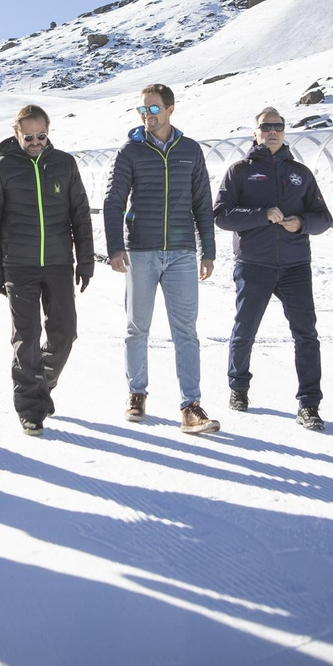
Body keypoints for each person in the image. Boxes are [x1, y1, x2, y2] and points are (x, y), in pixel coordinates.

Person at [103, 83, 220, 435]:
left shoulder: (190, 150)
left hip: (183, 253)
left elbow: (202, 203)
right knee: (137, 327)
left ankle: (191, 406)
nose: (147, 115)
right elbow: (114, 200)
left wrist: (208, 251)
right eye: (143, 110)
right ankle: (136, 393)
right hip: (141, 252)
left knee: (186, 330)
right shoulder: (130, 152)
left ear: (170, 110)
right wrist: (115, 247)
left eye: (153, 109)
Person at [212, 107, 333, 428]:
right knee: (245, 330)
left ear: (285, 130)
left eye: (278, 126)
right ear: (255, 132)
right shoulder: (240, 171)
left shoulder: (301, 173)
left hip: (295, 265)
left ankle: (309, 404)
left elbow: (324, 219)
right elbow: (222, 215)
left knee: (306, 334)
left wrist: (301, 224)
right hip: (254, 262)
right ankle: (238, 387)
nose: (272, 131)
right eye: (265, 126)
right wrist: (261, 214)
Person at [0, 104, 95, 436]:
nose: (35, 142)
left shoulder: (64, 164)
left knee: (65, 334)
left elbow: (81, 214)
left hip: (60, 263)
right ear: (17, 133)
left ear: (49, 132)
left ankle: (41, 383)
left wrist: (86, 260)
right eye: (29, 136)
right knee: (27, 337)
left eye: (41, 135)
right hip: (19, 265)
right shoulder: (2, 169)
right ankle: (31, 409)